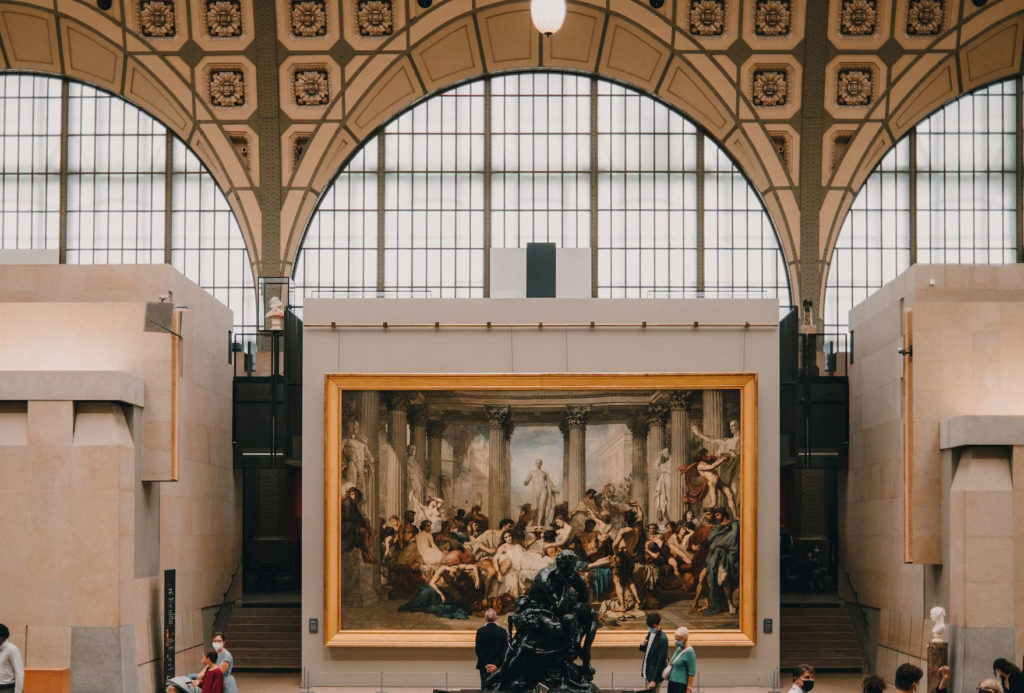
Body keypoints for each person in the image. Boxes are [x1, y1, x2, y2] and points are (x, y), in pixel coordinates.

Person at [475, 608, 509, 689]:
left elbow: (478, 650)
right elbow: (505, 650)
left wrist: (487, 664)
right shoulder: (503, 631)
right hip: (499, 666)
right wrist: (496, 665)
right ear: (496, 618)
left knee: (485, 687)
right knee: (497, 688)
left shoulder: (480, 631)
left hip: (484, 666)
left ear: (485, 618)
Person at [640, 612, 668, 691]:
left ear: (657, 624)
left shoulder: (662, 638)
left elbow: (661, 662)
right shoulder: (650, 633)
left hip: (654, 676)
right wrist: (642, 645)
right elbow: (649, 651)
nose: (649, 628)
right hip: (647, 672)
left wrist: (654, 680)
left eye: (651, 626)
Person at [524, 459, 557, 527]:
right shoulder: (531, 472)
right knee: (535, 507)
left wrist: (554, 489)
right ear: (535, 464)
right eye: (536, 463)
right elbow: (527, 481)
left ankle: (539, 523)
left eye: (539, 463)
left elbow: (549, 483)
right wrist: (525, 482)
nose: (538, 464)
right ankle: (532, 520)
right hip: (536, 491)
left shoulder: (544, 473)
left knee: (542, 507)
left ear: (541, 464)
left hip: (543, 491)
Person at [666, 626, 696, 693]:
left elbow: (692, 673)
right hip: (672, 682)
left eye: (678, 640)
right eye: (675, 639)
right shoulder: (679, 648)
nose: (676, 641)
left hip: (680, 685)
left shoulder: (689, 652)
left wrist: (689, 689)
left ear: (685, 639)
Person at [0, 624, 24, 693]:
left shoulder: (12, 649)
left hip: (7, 689)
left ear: (1, 637)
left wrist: (18, 691)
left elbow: (19, 673)